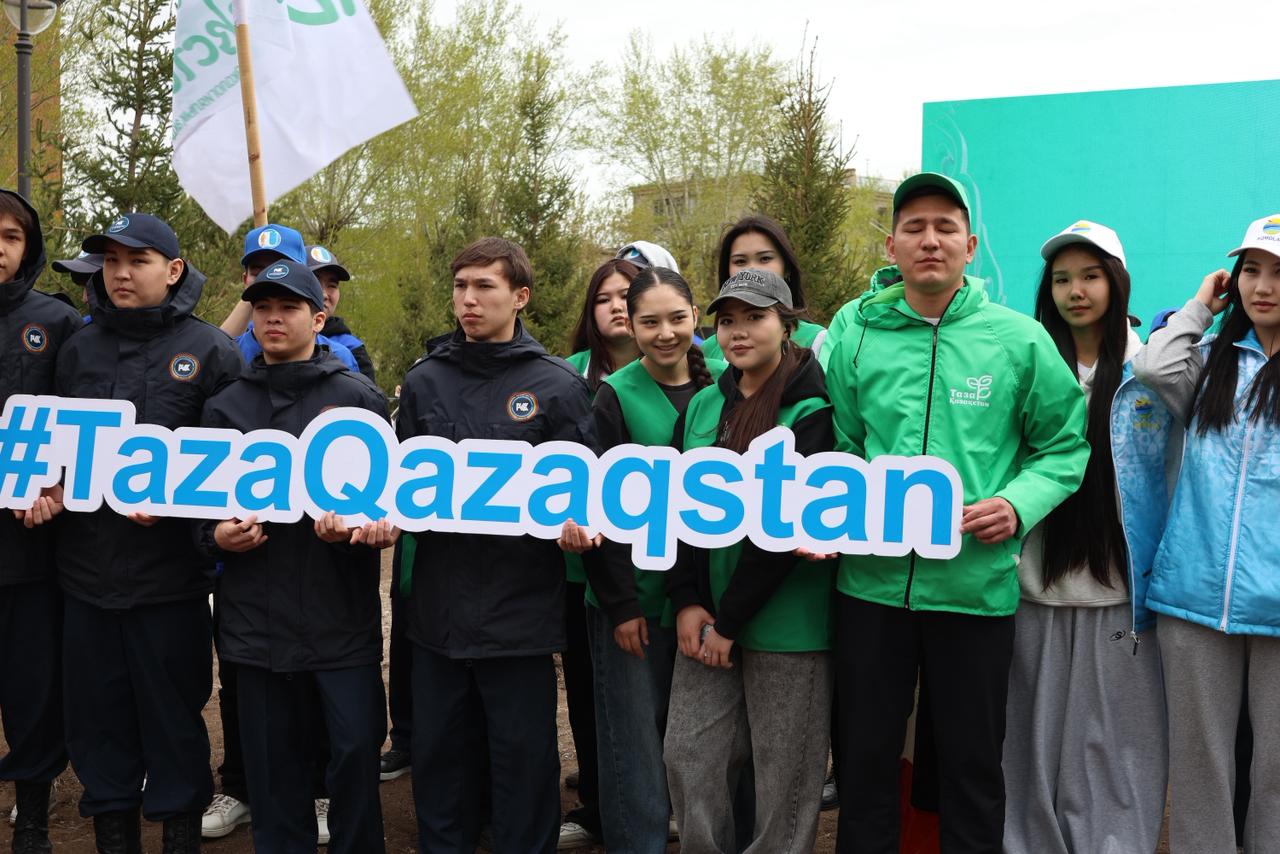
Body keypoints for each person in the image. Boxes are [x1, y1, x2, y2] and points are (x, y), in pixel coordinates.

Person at [823, 173, 1089, 853]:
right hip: (870, 588)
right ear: (892, 245)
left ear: (970, 247)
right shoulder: (859, 338)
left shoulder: (1019, 340)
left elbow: (1066, 445)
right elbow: (845, 446)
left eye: (946, 228)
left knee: (971, 766)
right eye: (914, 227)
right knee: (865, 763)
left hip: (974, 589)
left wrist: (1016, 504)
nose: (930, 240)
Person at [397, 237, 595, 853]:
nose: (469, 299)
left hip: (520, 616)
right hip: (437, 614)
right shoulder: (424, 382)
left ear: (520, 296)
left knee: (523, 761)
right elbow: (398, 489)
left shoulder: (557, 385)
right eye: (461, 286)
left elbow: (586, 493)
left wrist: (580, 526)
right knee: (439, 758)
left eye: (484, 286)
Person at [52, 212, 242, 853]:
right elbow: (53, 450)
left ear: (174, 269)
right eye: (112, 262)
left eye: (137, 261)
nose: (122, 273)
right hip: (85, 579)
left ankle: (180, 836)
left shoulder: (211, 351)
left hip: (170, 587)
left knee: (173, 725)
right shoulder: (77, 349)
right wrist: (46, 490)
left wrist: (180, 507)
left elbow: (235, 468)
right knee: (98, 726)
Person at [197, 258, 395, 854]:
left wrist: (365, 531)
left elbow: (389, 511)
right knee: (272, 770)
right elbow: (196, 512)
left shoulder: (358, 399)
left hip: (340, 622)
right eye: (262, 308)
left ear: (319, 317)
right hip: (255, 625)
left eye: (288, 307)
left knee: (355, 755)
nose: (273, 319)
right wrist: (216, 537)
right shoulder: (225, 405)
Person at [1002, 221, 1173, 853]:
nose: (1076, 291)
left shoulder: (1150, 368)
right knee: (1031, 739)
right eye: (1062, 279)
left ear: (1117, 283)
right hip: (1035, 585)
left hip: (1120, 593)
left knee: (1118, 742)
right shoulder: (1026, 362)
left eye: (1091, 276)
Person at [657, 268, 834, 853]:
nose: (738, 332)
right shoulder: (703, 405)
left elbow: (783, 535)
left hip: (786, 623)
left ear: (787, 325)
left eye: (755, 318)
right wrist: (686, 600)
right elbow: (676, 510)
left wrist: (730, 623)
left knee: (785, 774)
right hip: (708, 618)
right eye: (727, 320)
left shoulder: (812, 410)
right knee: (689, 753)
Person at [560, 265, 724, 853]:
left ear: (696, 316)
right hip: (633, 601)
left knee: (698, 741)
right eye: (649, 322)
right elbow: (598, 508)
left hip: (707, 599)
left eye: (677, 319)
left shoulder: (725, 385)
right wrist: (621, 605)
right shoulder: (615, 394)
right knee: (631, 746)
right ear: (629, 325)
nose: (665, 333)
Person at [1133, 213, 1280, 852]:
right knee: (1200, 769)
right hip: (1194, 598)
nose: (1262, 286)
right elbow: (1152, 366)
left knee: (1276, 774)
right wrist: (1200, 306)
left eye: (1279, 272)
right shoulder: (1214, 361)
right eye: (1251, 270)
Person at [0, 190, 81, 854]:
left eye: (10, 236)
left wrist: (59, 483)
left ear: (28, 249)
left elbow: (87, 425)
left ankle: (31, 813)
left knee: (31, 687)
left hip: (29, 548)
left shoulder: (57, 322)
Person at [555, 257, 644, 849]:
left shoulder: (690, 368)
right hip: (575, 564)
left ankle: (651, 801)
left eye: (627, 295)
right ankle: (596, 802)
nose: (616, 306)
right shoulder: (566, 375)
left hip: (655, 564)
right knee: (590, 688)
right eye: (604, 297)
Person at [701, 216, 827, 361]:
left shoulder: (818, 341)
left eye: (765, 259)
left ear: (787, 267)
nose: (752, 269)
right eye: (740, 261)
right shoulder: (710, 349)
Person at [306, 245, 377, 382]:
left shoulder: (351, 349)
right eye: (314, 282)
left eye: (332, 286)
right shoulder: (270, 337)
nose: (324, 294)